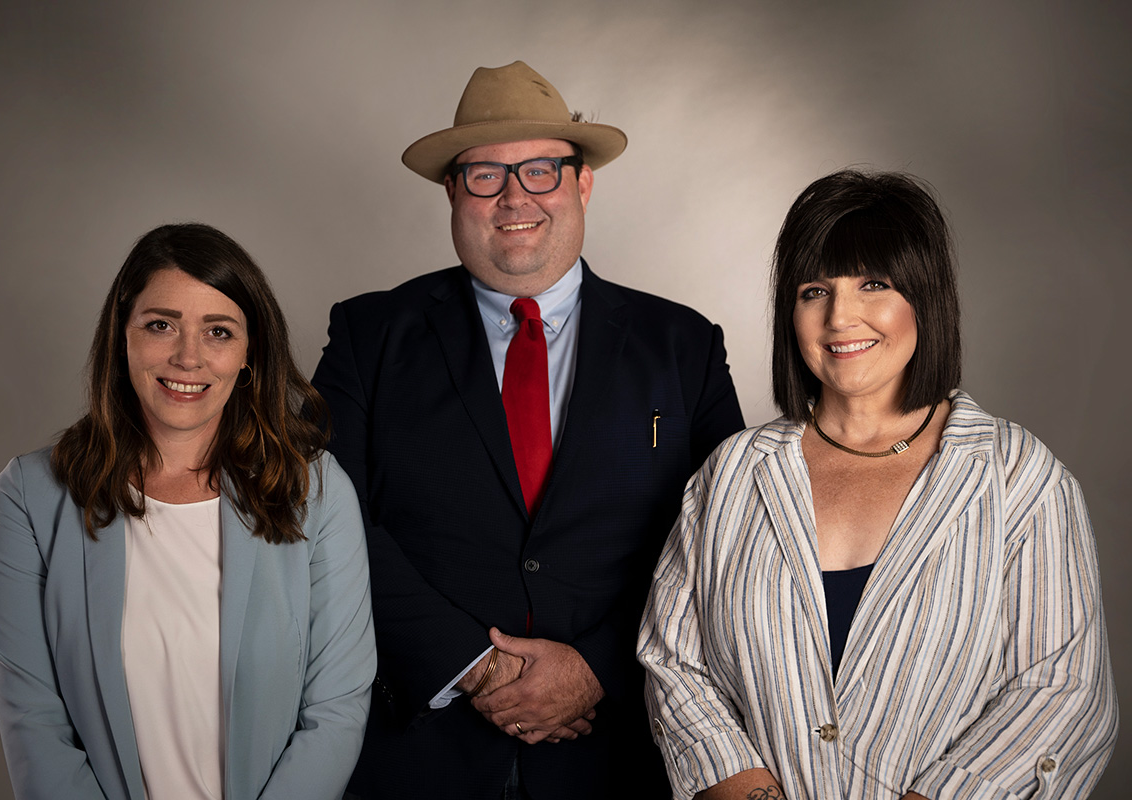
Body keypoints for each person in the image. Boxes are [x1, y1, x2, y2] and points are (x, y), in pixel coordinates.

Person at [310, 61, 745, 799]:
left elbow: (724, 542)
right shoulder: (368, 335)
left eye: (541, 170)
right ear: (452, 191)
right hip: (417, 756)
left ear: (583, 183)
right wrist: (471, 665)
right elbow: (318, 517)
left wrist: (597, 666)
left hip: (619, 757)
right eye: (485, 174)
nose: (515, 197)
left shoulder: (683, 344)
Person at [637, 170, 1119, 799]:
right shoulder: (731, 475)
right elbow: (675, 664)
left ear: (926, 299)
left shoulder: (1018, 477)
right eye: (815, 290)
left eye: (875, 284)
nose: (842, 317)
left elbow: (1064, 693)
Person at [0, 223, 375, 800]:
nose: (188, 357)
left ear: (249, 355)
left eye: (218, 332)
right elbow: (33, 725)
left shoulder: (316, 491)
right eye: (161, 325)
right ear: (123, 337)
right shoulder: (29, 498)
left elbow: (336, 709)